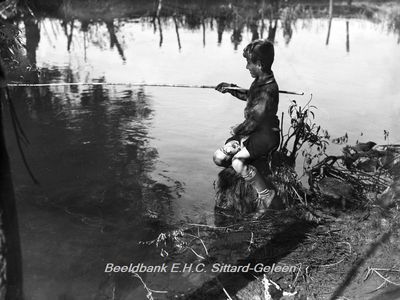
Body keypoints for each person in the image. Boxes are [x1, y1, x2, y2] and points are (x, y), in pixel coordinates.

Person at [214, 39, 283, 217]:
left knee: (236, 162)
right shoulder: (260, 82)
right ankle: (244, 158)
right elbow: (250, 96)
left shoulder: (268, 89)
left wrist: (237, 131)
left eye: (248, 63)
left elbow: (256, 121)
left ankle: (267, 195)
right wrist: (230, 88)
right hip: (251, 133)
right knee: (219, 157)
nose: (246, 67)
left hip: (266, 136)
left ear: (258, 64)